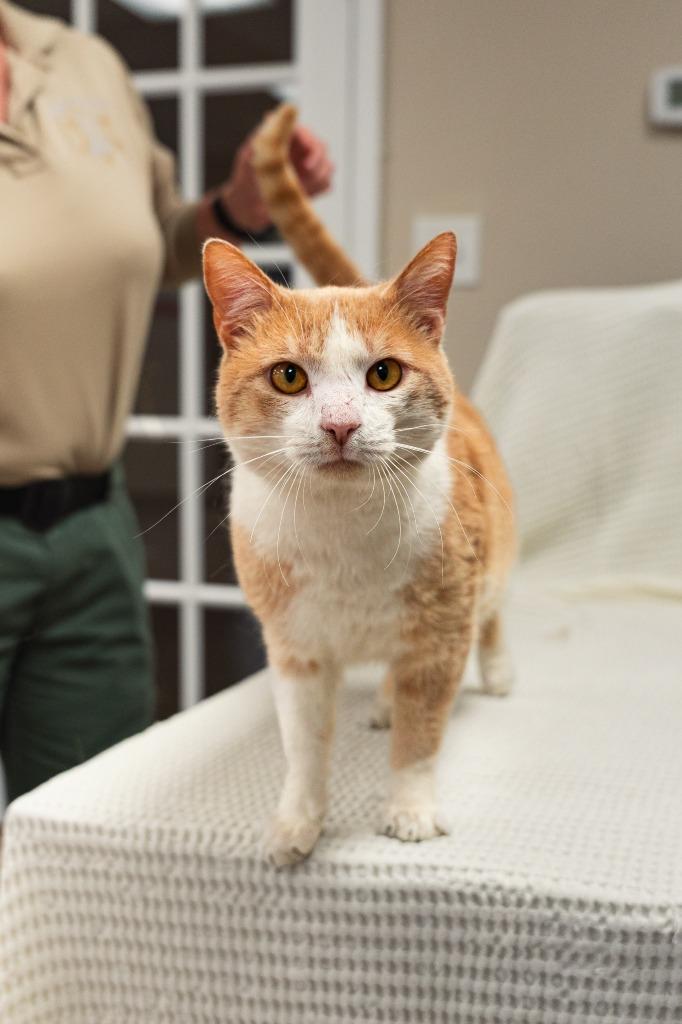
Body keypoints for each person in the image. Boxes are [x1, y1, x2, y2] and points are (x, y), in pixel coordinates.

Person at [0, 0, 333, 803]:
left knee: (94, 826)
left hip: (90, 529)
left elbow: (154, 241)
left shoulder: (84, 63)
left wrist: (236, 211)